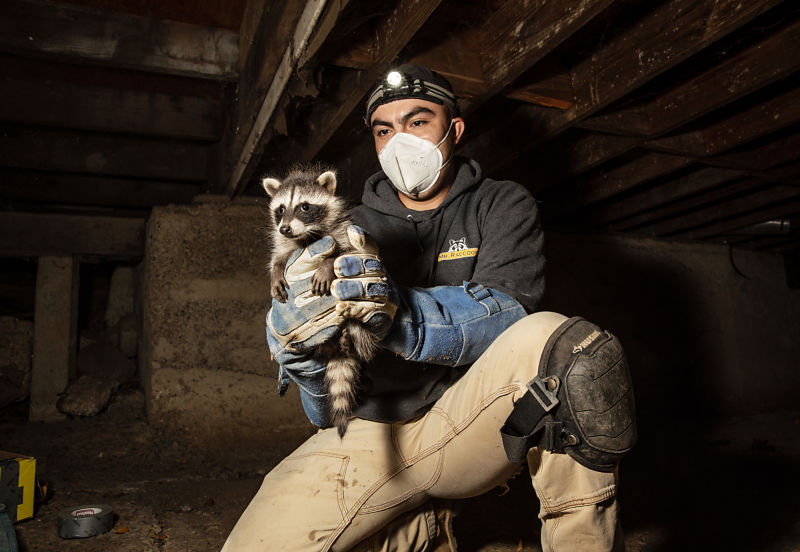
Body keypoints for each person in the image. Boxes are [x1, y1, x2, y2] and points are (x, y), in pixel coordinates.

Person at [222, 64, 635, 552]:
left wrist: (400, 312)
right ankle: (428, 525)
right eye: (383, 129)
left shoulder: (500, 204)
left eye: (417, 122)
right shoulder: (345, 226)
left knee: (566, 346)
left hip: (467, 419)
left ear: (453, 129)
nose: (400, 141)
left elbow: (509, 315)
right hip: (371, 429)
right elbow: (323, 406)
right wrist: (302, 356)